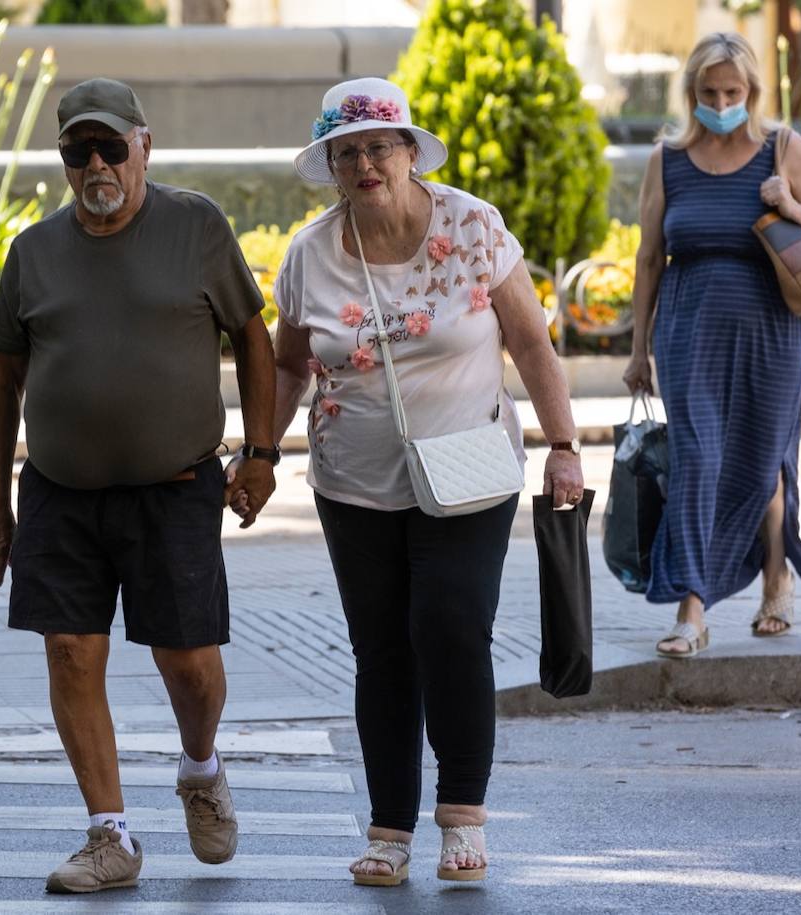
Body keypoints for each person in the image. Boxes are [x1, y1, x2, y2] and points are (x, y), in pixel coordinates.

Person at [251, 77, 584, 886]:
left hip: (467, 464)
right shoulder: (310, 253)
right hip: (353, 479)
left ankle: (463, 813)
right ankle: (389, 827)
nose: (365, 163)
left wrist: (564, 445)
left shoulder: (472, 226)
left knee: (450, 622)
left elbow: (533, 347)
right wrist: (258, 450)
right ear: (331, 166)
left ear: (409, 152)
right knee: (382, 649)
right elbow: (289, 364)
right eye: (347, 151)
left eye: (378, 146)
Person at [0, 77, 278, 894]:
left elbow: (254, 338)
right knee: (72, 652)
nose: (97, 163)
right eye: (80, 150)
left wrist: (261, 451)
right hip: (58, 491)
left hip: (174, 487)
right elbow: (3, 382)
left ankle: (200, 766)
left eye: (112, 146)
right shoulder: (33, 252)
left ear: (145, 145)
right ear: (64, 159)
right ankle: (109, 834)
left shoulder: (196, 227)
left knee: (190, 665)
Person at [622, 33, 801, 658]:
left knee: (761, 464)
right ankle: (691, 610)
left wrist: (793, 206)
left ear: (751, 92)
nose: (721, 102)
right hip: (688, 328)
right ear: (691, 93)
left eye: (733, 91)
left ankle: (775, 574)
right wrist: (638, 349)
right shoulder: (666, 159)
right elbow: (649, 258)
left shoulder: (781, 148)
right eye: (708, 92)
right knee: (697, 462)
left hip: (769, 329)